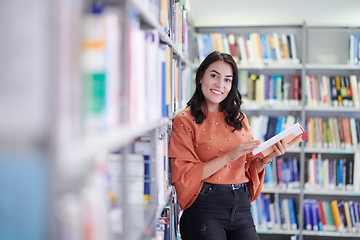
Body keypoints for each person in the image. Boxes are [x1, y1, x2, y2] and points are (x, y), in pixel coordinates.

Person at [168, 51, 302, 240]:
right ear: (200, 77)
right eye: (214, 75)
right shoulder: (184, 120)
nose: (220, 85)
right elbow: (184, 175)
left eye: (227, 80)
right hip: (206, 207)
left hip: (241, 204)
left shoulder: (238, 119)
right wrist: (229, 156)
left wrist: (268, 158)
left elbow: (248, 166)